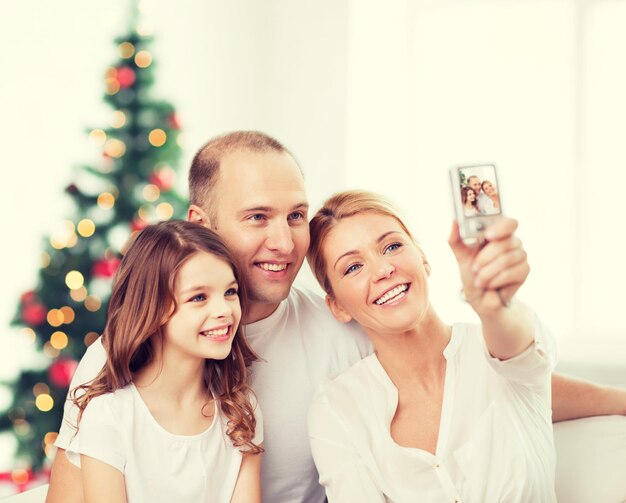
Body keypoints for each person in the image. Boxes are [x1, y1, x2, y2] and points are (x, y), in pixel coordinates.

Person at [48, 131, 626, 503]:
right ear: (200, 221)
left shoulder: (342, 329)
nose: (283, 241)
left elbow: (490, 379)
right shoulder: (125, 355)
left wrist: (615, 398)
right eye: (257, 217)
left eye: (296, 214)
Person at [307, 190, 556, 501]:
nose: (383, 270)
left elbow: (519, 347)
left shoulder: (496, 351)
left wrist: (494, 306)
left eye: (392, 246)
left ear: (422, 258)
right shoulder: (338, 407)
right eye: (353, 267)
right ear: (338, 307)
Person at [64, 221, 263, 503]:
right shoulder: (110, 416)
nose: (224, 310)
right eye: (199, 297)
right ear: (153, 309)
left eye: (230, 292)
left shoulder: (240, 411)